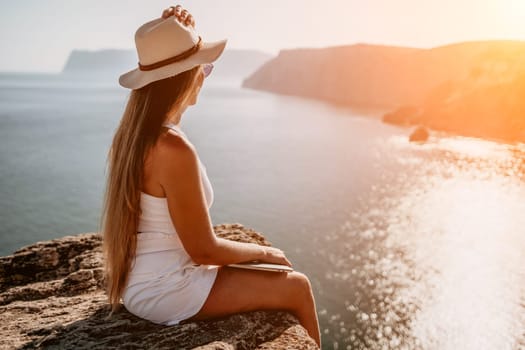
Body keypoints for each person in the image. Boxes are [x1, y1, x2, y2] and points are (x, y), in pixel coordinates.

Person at [101, 5, 321, 346]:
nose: (205, 74)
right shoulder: (174, 150)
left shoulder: (133, 136)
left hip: (139, 285)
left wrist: (177, 34)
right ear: (186, 76)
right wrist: (261, 252)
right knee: (297, 286)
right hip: (168, 290)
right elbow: (203, 250)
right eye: (204, 67)